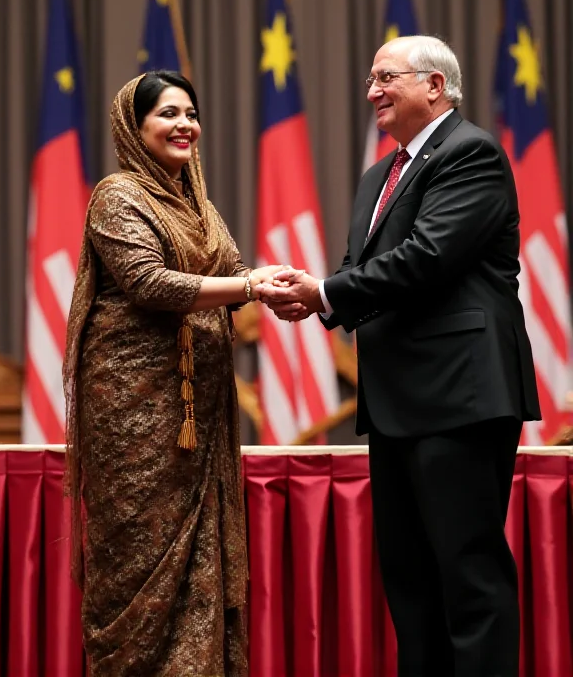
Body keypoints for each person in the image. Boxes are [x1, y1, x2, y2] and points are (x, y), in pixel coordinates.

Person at [258, 36, 541, 677]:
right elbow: (367, 270)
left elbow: (428, 259)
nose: (372, 91)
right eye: (369, 79)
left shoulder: (470, 153)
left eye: (386, 77)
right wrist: (317, 298)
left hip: (460, 399)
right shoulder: (377, 177)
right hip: (396, 405)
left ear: (435, 86)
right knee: (411, 585)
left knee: (469, 576)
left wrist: (327, 291)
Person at [63, 70, 282, 676]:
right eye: (167, 113)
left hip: (202, 419)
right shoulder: (117, 196)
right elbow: (150, 284)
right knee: (135, 563)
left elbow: (236, 274)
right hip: (135, 424)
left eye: (191, 113)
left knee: (202, 567)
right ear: (134, 128)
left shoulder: (199, 204)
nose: (185, 124)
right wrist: (250, 286)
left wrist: (282, 290)